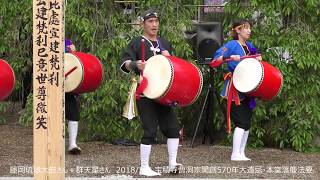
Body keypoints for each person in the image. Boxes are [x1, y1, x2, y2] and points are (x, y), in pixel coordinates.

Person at [120, 9, 181, 176]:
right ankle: (144, 167)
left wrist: (172, 59)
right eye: (150, 21)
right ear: (143, 24)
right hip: (145, 92)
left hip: (164, 92)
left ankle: (172, 163)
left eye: (156, 21)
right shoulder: (136, 42)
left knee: (173, 128)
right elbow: (124, 63)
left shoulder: (165, 43)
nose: (154, 24)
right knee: (150, 130)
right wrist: (134, 64)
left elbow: (173, 69)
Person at [211, 19, 261, 161]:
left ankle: (241, 153)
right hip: (234, 88)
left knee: (247, 123)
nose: (249, 30)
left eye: (250, 28)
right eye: (245, 28)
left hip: (248, 88)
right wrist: (228, 57)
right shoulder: (232, 45)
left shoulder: (250, 46)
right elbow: (215, 60)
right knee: (241, 121)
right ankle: (234, 154)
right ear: (237, 30)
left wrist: (257, 58)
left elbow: (258, 59)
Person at [65, 39, 82, 155]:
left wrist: (71, 51)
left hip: (67, 84)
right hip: (51, 85)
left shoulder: (67, 41)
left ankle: (72, 144)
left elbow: (74, 60)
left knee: (73, 114)